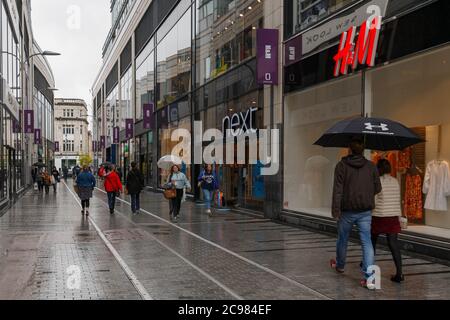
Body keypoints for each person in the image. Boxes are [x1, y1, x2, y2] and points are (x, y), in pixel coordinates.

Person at [330, 137, 382, 289]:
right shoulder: (371, 166)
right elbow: (378, 188)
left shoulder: (341, 166)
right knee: (366, 242)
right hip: (365, 211)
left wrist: (335, 211)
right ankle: (370, 278)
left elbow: (337, 190)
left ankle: (340, 265)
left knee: (343, 239)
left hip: (347, 211)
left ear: (349, 150)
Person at [371, 159, 404, 283]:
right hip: (393, 217)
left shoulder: (377, 182)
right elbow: (397, 199)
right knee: (394, 245)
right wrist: (399, 217)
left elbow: (374, 201)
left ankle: (370, 271)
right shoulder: (396, 181)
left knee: (372, 243)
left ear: (378, 169)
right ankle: (399, 273)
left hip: (379, 216)